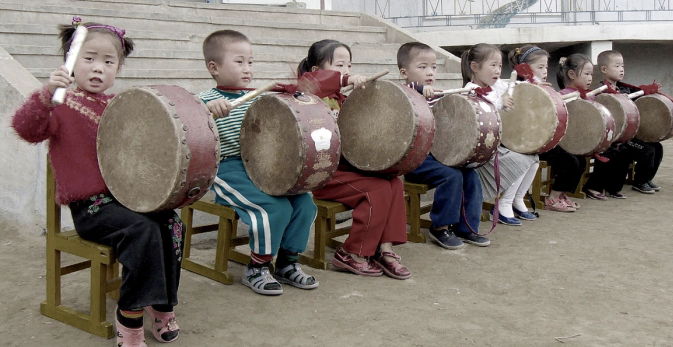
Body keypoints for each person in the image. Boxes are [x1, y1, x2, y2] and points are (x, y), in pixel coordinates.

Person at [12, 18, 182, 347]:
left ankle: (161, 304)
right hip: (92, 209)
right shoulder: (59, 105)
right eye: (88, 58)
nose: (98, 68)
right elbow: (25, 128)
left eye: (108, 61)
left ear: (118, 66)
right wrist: (47, 93)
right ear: (70, 62)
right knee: (142, 230)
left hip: (128, 200)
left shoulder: (123, 106)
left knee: (171, 224)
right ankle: (129, 317)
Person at [198, 30, 319, 296]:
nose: (247, 69)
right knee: (273, 209)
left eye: (250, 62)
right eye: (239, 62)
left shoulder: (258, 96)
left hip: (262, 165)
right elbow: (186, 124)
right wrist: (207, 111)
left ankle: (287, 263)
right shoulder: (205, 101)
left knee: (304, 203)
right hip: (227, 169)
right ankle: (257, 267)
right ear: (214, 68)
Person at [299, 39, 412, 279]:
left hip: (347, 170)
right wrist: (343, 80)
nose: (347, 71)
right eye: (340, 65)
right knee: (377, 190)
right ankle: (352, 253)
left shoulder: (343, 100)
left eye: (349, 65)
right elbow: (309, 84)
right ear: (316, 71)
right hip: (324, 174)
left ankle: (385, 249)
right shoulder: (307, 96)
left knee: (394, 182)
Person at [399, 42, 490, 249]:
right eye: (422, 67)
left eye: (433, 67)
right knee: (452, 175)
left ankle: (466, 227)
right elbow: (406, 92)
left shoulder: (436, 95)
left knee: (470, 173)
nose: (430, 72)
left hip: (436, 157)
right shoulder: (405, 94)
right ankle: (440, 227)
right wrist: (421, 89)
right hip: (415, 161)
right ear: (404, 72)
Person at [461, 44, 539, 226]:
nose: (497, 71)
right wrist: (500, 102)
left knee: (533, 158)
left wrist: (532, 82)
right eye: (493, 65)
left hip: (495, 147)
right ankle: (502, 205)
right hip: (481, 153)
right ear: (474, 67)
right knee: (522, 160)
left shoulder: (495, 85)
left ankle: (516, 200)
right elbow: (482, 111)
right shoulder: (469, 89)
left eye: (500, 66)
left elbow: (518, 85)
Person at [508, 45, 581, 212]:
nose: (544, 71)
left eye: (546, 67)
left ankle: (560, 193)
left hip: (542, 138)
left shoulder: (542, 87)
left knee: (577, 159)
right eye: (540, 67)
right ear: (524, 67)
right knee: (570, 162)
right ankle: (552, 198)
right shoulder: (518, 88)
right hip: (526, 140)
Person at [557, 54, 632, 200]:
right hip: (573, 141)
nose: (590, 78)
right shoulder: (563, 95)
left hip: (590, 139)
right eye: (586, 74)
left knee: (623, 152)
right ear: (571, 74)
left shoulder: (590, 95)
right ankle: (592, 187)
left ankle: (612, 187)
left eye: (591, 74)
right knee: (608, 154)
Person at [598, 50, 663, 195]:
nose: (621, 69)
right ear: (604, 69)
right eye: (617, 66)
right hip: (616, 138)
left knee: (657, 146)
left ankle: (646, 179)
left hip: (629, 135)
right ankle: (639, 182)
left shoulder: (625, 88)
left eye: (622, 65)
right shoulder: (601, 92)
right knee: (647, 150)